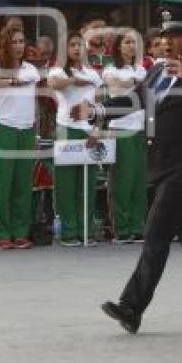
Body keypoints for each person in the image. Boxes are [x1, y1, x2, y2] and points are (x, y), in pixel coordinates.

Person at [74, 8, 182, 333]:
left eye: (172, 37)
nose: (165, 43)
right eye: (162, 38)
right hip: (162, 165)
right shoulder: (158, 71)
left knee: (157, 232)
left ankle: (132, 306)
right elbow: (134, 100)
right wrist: (99, 110)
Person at [0, 25, 41, 250]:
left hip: (26, 129)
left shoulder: (30, 70)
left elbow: (33, 100)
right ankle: (2, 233)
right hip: (3, 127)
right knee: (2, 183)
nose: (19, 46)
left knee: (23, 184)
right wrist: (10, 82)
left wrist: (36, 130)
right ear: (6, 44)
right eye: (14, 42)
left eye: (22, 41)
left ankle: (21, 232)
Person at [47, 32, 103, 246]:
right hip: (67, 128)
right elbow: (53, 84)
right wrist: (73, 79)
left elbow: (99, 103)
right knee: (66, 183)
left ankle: (85, 230)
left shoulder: (93, 73)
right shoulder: (58, 70)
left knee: (87, 182)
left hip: (88, 129)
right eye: (72, 45)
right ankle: (68, 232)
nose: (77, 49)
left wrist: (97, 129)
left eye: (80, 45)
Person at [102, 32, 148, 244]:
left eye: (134, 43)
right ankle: (120, 227)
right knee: (122, 179)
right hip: (120, 128)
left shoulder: (141, 69)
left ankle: (137, 225)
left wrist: (136, 81)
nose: (132, 46)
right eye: (127, 42)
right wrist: (138, 83)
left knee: (139, 180)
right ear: (118, 47)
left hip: (139, 127)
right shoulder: (111, 69)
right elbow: (117, 88)